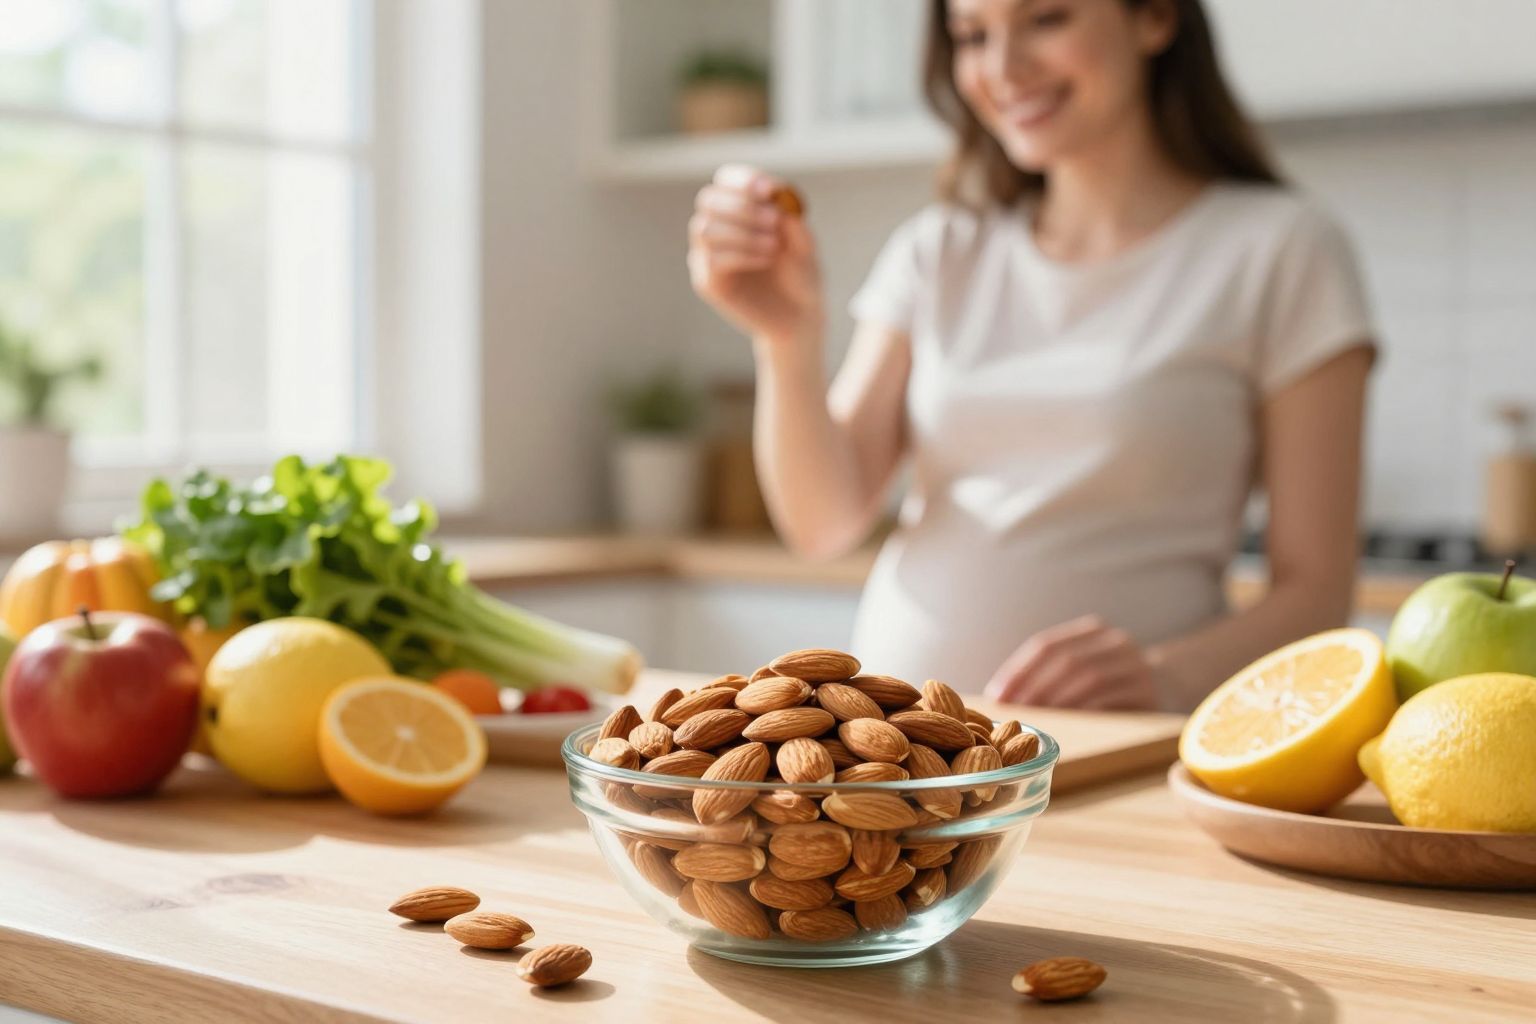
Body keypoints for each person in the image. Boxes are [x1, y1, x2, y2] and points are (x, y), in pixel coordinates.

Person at [686, 0, 1375, 711]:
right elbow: (822, 524)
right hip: (901, 746)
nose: (1003, 69)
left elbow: (1317, 595)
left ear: (1155, 17)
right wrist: (787, 337)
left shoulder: (1282, 251)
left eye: (1047, 18)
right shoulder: (939, 251)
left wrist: (1163, 675)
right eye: (973, 35)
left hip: (1123, 747)